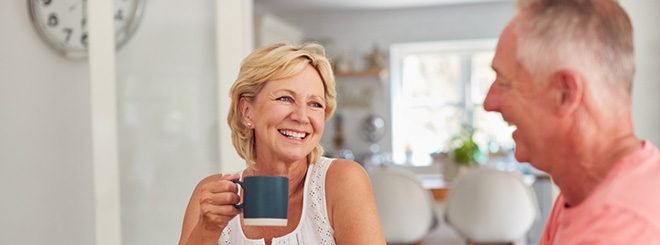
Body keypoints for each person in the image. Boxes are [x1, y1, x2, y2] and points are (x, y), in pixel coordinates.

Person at [483, 0, 660, 243]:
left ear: (565, 94)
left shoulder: (620, 224)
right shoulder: (579, 196)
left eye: (504, 82)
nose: (489, 103)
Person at [178, 42, 386, 245]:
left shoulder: (341, 181)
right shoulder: (211, 199)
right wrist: (207, 230)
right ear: (247, 111)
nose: (302, 117)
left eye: (315, 104)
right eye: (285, 98)